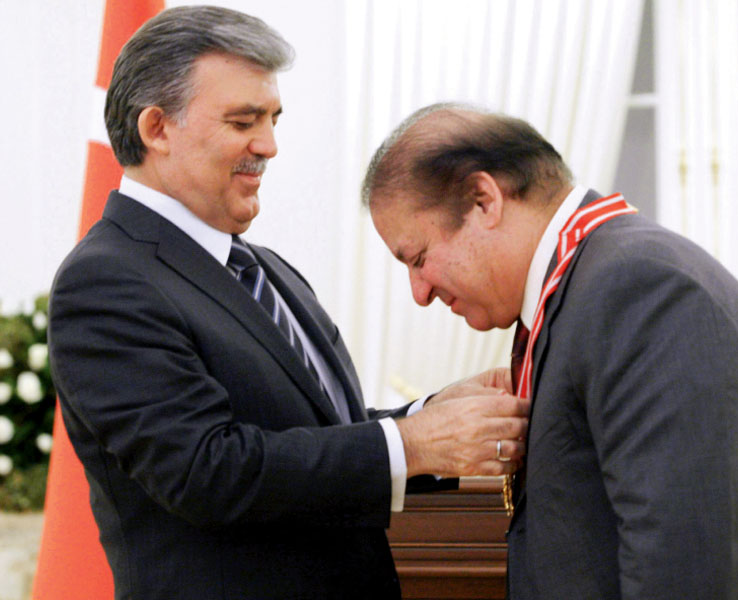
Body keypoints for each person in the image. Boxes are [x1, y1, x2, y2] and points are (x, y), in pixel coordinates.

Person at [48, 10, 530, 600]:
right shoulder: (105, 281)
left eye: (273, 120)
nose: (269, 146)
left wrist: (436, 418)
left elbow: (323, 438)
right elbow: (208, 472)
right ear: (156, 129)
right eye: (243, 121)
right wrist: (415, 442)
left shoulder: (267, 268)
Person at [362, 102, 738, 599]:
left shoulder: (640, 288)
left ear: (484, 200)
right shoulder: (586, 288)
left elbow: (680, 572)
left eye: (418, 259)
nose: (419, 293)